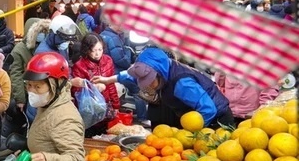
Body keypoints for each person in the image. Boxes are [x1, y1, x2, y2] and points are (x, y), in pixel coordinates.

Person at [94, 47, 233, 128]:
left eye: (150, 80)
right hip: (195, 116)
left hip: (216, 120)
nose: (148, 84)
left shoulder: (182, 83)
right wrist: (108, 80)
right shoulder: (161, 69)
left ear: (159, 72)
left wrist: (192, 133)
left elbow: (208, 109)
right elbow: (131, 76)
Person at [23, 52, 89, 161]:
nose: (32, 92)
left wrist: (48, 159)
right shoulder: (48, 102)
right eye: (29, 86)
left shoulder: (65, 117)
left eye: (38, 87)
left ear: (56, 84)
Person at [70, 34, 120, 136]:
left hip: (105, 105)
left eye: (100, 50)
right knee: (90, 134)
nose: (97, 54)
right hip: (89, 108)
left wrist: (116, 104)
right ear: (87, 50)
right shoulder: (79, 66)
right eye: (93, 50)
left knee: (104, 134)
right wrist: (94, 88)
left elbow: (111, 84)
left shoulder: (108, 61)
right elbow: (76, 91)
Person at [9, 19, 51, 112]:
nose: (42, 34)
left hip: (45, 93)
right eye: (40, 32)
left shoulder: (47, 48)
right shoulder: (19, 49)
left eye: (45, 32)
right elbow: (16, 75)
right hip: (28, 93)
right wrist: (20, 99)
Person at [215, 74, 279, 124]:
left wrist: (262, 108)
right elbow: (220, 82)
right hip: (229, 113)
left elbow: (269, 88)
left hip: (252, 114)